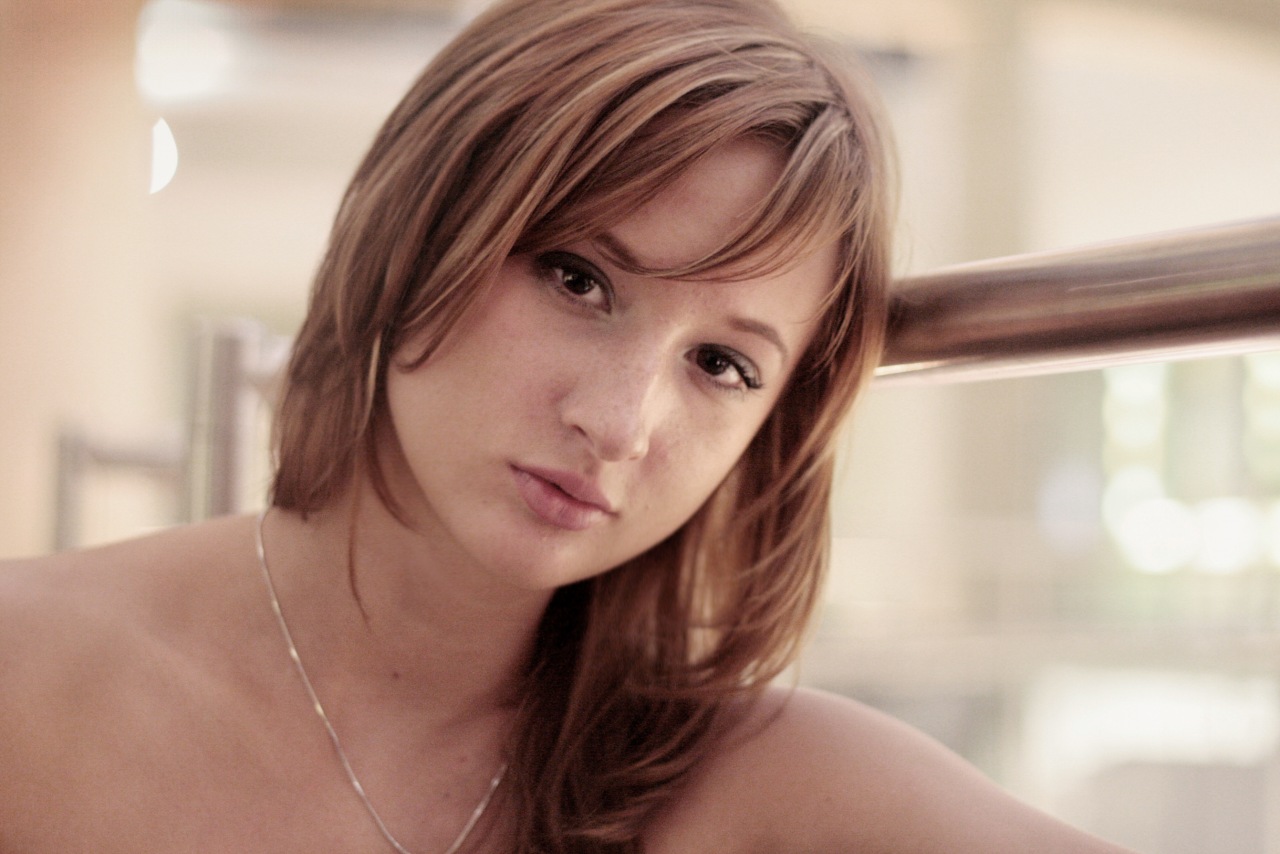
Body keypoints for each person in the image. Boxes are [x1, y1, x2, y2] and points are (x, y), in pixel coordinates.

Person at [0, 0, 1136, 851]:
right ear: (423, 225)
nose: (619, 421)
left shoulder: (762, 782)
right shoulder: (31, 673)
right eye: (578, 279)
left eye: (721, 363)